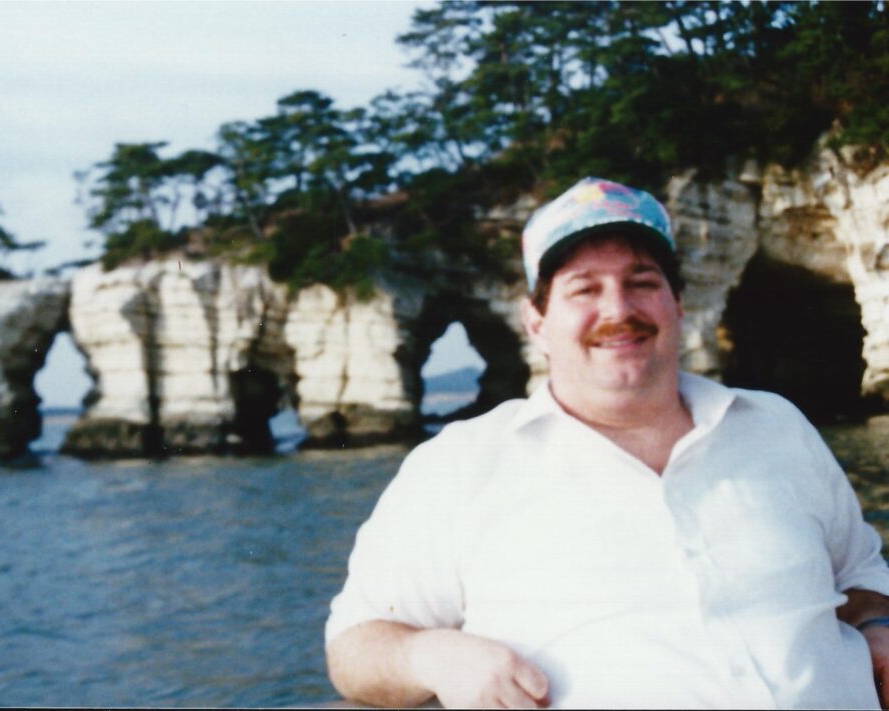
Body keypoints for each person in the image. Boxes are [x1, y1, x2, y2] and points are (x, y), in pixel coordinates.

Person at [324, 177, 889, 709]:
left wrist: (876, 625)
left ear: (678, 303)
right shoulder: (461, 464)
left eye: (642, 282)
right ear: (536, 321)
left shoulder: (777, 426)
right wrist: (434, 655)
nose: (619, 310)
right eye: (584, 289)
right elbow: (353, 646)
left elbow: (859, 572)